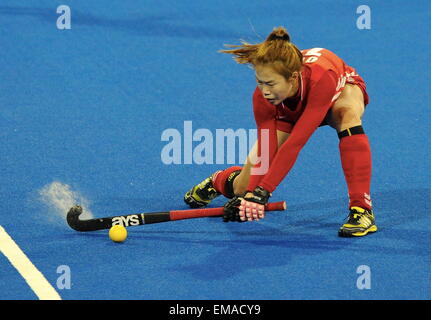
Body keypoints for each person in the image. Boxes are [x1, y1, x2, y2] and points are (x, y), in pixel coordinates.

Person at [184, 27, 377, 237]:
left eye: (271, 83)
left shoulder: (322, 79)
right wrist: (250, 194)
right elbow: (267, 149)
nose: (265, 90)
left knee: (346, 115)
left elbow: (295, 144)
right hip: (289, 105)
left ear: (293, 77)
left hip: (335, 94)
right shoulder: (263, 98)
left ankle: (361, 209)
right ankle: (219, 180)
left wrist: (263, 192)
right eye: (260, 82)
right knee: (242, 187)